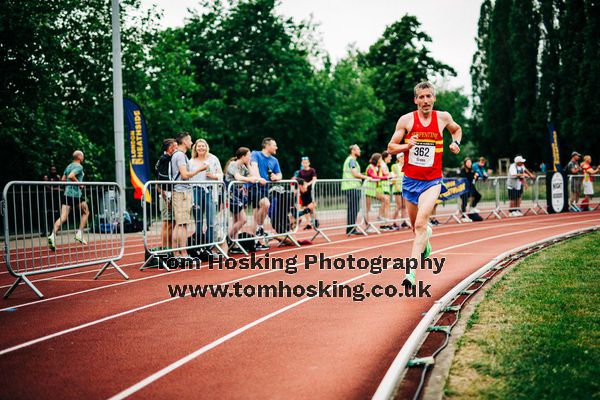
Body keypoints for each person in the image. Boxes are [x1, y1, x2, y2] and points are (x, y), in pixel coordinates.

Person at [387, 81, 462, 287]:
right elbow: (391, 147)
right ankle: (426, 241)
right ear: (416, 100)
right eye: (421, 97)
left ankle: (410, 274)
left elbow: (457, 130)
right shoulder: (406, 120)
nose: (425, 100)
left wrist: (455, 143)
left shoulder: (443, 118)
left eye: (429, 96)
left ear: (434, 98)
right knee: (416, 228)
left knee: (421, 224)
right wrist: (406, 145)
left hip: (432, 181)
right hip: (410, 182)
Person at [171, 132, 208, 258]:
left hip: (180, 191)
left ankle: (177, 253)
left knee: (180, 223)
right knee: (182, 224)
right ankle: (182, 252)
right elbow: (185, 175)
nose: (192, 143)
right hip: (182, 192)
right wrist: (199, 170)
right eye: (190, 140)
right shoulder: (181, 156)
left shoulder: (178, 155)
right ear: (185, 141)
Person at [224, 147, 264, 254]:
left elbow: (253, 176)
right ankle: (227, 239)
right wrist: (249, 179)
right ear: (243, 156)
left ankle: (234, 243)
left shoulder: (243, 166)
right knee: (243, 220)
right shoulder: (233, 165)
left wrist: (249, 165)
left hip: (239, 194)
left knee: (236, 220)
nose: (250, 157)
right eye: (249, 155)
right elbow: (237, 177)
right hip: (231, 194)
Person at [47, 151, 90, 250]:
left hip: (67, 194)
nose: (83, 157)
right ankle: (79, 233)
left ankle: (52, 236)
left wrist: (69, 184)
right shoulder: (79, 166)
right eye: (82, 155)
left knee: (63, 217)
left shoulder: (68, 166)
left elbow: (63, 180)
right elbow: (71, 176)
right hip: (76, 194)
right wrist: (80, 184)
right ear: (79, 157)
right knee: (86, 212)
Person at [189, 139, 223, 247]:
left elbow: (221, 175)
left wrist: (213, 176)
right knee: (198, 221)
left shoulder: (213, 159)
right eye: (199, 146)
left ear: (206, 147)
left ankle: (209, 246)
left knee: (211, 222)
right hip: (196, 191)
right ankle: (199, 246)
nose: (201, 148)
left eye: (203, 146)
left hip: (210, 191)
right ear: (195, 148)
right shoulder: (191, 161)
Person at [249, 137, 281, 250]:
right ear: (267, 146)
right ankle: (260, 229)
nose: (276, 147)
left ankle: (255, 240)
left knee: (256, 213)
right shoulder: (255, 154)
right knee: (266, 204)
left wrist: (276, 177)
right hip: (253, 187)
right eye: (274, 145)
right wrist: (259, 178)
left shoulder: (274, 160)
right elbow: (254, 167)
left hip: (265, 188)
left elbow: (280, 174)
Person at [341, 144, 369, 235]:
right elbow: (355, 173)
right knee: (353, 208)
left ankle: (351, 228)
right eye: (358, 149)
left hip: (351, 186)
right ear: (353, 151)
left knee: (353, 208)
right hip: (351, 186)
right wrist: (367, 177)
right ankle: (351, 228)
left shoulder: (351, 160)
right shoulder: (351, 160)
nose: (360, 151)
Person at [155, 138, 177, 249]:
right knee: (167, 223)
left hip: (169, 193)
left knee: (172, 223)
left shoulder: (166, 159)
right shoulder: (165, 159)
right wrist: (165, 197)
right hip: (166, 194)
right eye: (176, 147)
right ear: (170, 148)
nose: (177, 149)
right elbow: (159, 181)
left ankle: (170, 248)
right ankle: (165, 248)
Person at [365, 153, 392, 231]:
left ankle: (380, 216)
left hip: (373, 189)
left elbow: (382, 175)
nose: (381, 161)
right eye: (380, 159)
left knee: (385, 199)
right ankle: (367, 227)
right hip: (368, 189)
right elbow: (373, 176)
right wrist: (385, 177)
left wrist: (388, 176)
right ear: (376, 160)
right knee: (368, 208)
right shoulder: (370, 167)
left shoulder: (377, 167)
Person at [294, 156, 318, 229]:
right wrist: (302, 187)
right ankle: (308, 223)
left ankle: (315, 220)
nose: (305, 164)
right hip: (303, 192)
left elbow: (314, 179)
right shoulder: (300, 172)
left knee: (311, 207)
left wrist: (307, 184)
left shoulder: (312, 170)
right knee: (304, 207)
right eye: (304, 163)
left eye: (306, 162)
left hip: (310, 191)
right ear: (302, 163)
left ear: (309, 163)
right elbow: (298, 181)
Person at [391, 153, 409, 229]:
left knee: (404, 206)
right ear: (398, 158)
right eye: (401, 157)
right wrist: (397, 186)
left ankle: (404, 221)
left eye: (404, 156)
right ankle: (393, 222)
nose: (403, 158)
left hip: (404, 188)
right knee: (399, 206)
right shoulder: (394, 166)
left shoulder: (406, 166)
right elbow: (394, 177)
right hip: (397, 188)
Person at [43, 165, 62, 236]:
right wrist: (54, 189)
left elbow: (60, 185)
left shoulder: (58, 177)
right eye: (52, 170)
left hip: (56, 198)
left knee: (56, 214)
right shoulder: (46, 177)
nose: (54, 171)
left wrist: (57, 189)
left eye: (55, 170)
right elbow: (46, 186)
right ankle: (45, 231)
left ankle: (55, 230)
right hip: (48, 198)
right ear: (50, 170)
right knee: (47, 214)